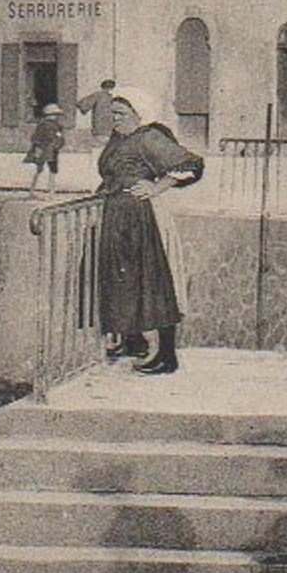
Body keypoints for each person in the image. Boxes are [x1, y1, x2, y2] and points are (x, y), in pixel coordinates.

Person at [96, 87, 204, 375]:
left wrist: (155, 187)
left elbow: (191, 164)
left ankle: (167, 356)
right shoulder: (119, 138)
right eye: (113, 113)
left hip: (142, 217)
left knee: (153, 283)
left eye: (121, 113)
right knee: (124, 281)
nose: (114, 119)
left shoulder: (148, 138)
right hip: (117, 219)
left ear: (138, 115)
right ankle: (135, 342)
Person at [25, 103, 66, 196]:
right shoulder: (43, 125)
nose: (55, 117)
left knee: (51, 170)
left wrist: (58, 145)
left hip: (52, 150)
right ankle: (33, 190)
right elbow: (36, 138)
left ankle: (50, 190)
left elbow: (60, 138)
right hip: (44, 150)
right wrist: (38, 149)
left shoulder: (57, 126)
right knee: (43, 170)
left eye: (56, 115)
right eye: (53, 114)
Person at [76, 79, 116, 143]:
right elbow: (83, 105)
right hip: (103, 128)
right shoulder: (99, 95)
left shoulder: (98, 95)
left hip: (104, 128)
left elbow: (83, 105)